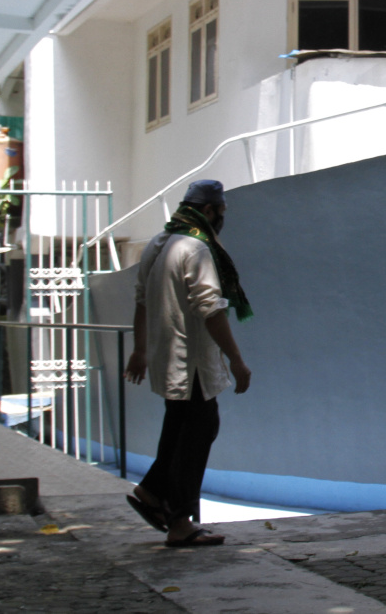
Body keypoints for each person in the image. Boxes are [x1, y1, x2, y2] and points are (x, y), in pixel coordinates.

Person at [123, 179, 254, 547]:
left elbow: (141, 300)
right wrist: (237, 360)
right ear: (209, 210)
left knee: (180, 429)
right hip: (193, 361)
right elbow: (211, 310)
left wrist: (140, 350)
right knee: (198, 432)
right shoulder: (196, 248)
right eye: (221, 213)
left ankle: (151, 492)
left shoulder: (160, 243)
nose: (222, 220)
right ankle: (179, 520)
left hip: (168, 359)